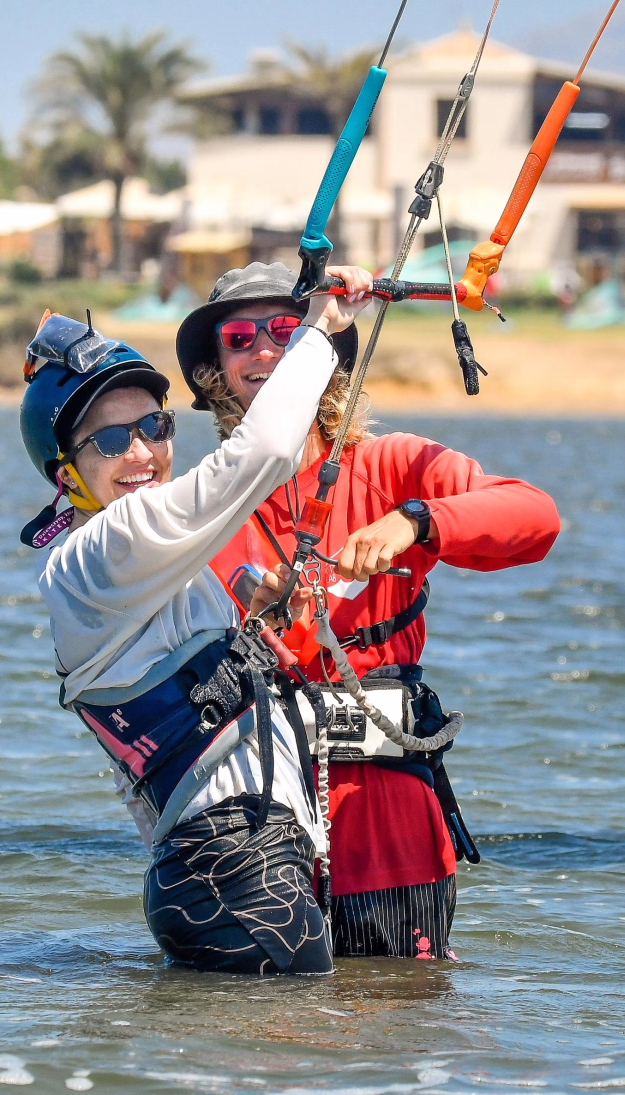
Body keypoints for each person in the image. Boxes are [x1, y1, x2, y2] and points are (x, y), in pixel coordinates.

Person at [175, 262, 561, 960]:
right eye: (240, 338)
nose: (265, 351)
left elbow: (536, 517)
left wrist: (416, 522)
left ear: (323, 355)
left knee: (400, 1033)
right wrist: (251, 617)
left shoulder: (394, 465)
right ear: (215, 373)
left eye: (287, 331)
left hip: (391, 831)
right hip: (258, 837)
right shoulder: (199, 506)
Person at [22, 266, 375, 975]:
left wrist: (264, 601)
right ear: (65, 474)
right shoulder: (101, 548)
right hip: (232, 869)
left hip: (230, 870)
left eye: (155, 426)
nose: (143, 454)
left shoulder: (147, 568)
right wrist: (317, 330)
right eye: (111, 439)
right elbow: (267, 452)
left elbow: (181, 661)